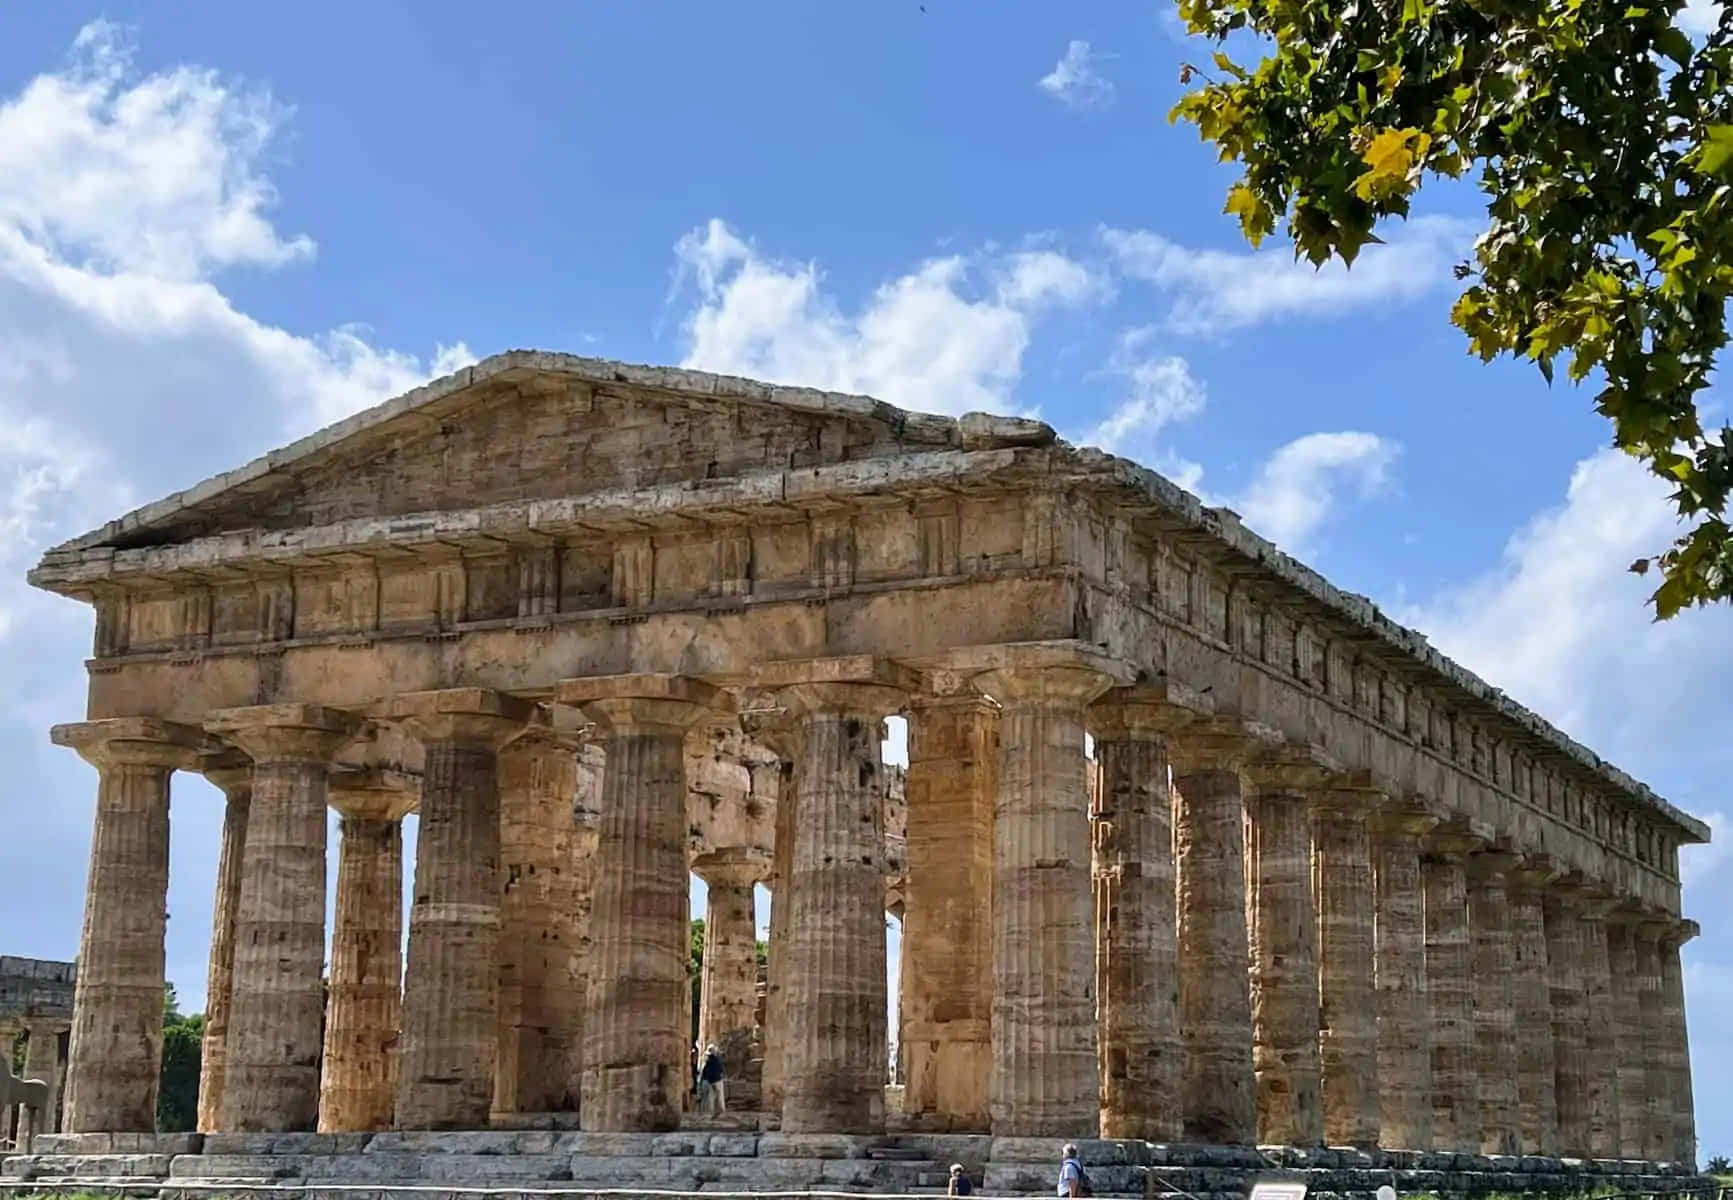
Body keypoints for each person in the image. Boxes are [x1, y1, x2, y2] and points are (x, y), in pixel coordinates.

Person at [698, 1042, 726, 1115]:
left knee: (710, 1098)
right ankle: (721, 1110)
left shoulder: (707, 1061)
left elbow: (703, 1071)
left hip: (710, 1080)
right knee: (719, 1096)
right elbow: (721, 1070)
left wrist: (702, 1080)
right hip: (718, 1080)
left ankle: (711, 1112)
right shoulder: (718, 1060)